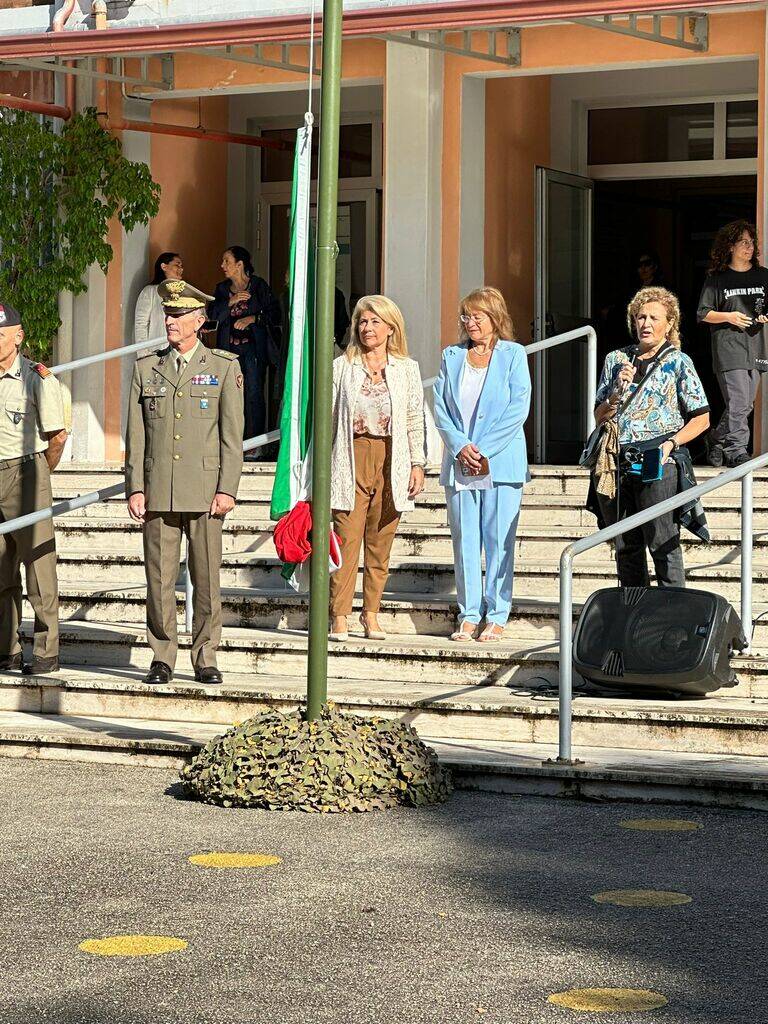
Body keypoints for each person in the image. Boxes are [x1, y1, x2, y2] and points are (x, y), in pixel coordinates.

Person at [126, 280, 244, 686]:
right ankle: (162, 655)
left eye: (178, 315)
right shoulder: (146, 368)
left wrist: (228, 487)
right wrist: (135, 486)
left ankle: (205, 655)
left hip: (205, 489)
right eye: (168, 314)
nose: (170, 321)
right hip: (159, 488)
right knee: (158, 578)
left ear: (199, 320)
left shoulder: (224, 367)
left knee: (206, 578)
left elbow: (231, 435)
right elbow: (136, 435)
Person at [589, 286, 710, 588]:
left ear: (669, 324)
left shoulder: (678, 362)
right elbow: (599, 416)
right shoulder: (615, 359)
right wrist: (616, 392)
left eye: (654, 317)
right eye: (640, 317)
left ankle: (673, 620)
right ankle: (633, 619)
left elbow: (702, 418)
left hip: (658, 459)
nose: (645, 323)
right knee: (625, 546)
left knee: (662, 541)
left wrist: (670, 444)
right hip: (615, 460)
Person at [432, 287, 531, 643]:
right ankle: (470, 613)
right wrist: (460, 446)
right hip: (461, 463)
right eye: (466, 317)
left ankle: (498, 612)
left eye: (478, 316)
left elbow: (518, 407)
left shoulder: (513, 355)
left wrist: (484, 449)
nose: (471, 323)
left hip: (501, 462)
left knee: (499, 540)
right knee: (465, 540)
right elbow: (441, 407)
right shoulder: (451, 356)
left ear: (495, 319)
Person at [329, 295, 425, 642]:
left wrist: (418, 463)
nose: (368, 328)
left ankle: (371, 614)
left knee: (380, 540)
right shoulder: (342, 366)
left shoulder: (406, 368)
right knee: (346, 537)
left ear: (390, 328)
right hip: (351, 455)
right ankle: (340, 614)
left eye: (374, 322)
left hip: (391, 456)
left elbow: (414, 417)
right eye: (362, 322)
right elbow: (326, 418)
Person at [0, 302, 68, 675]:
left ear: (18, 336)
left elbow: (57, 435)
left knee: (39, 566)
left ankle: (45, 652)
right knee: (0, 568)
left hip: (27, 470)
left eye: (0, 335)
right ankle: (6, 648)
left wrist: (41, 472)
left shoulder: (38, 378)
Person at [697, 220, 768, 467]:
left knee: (744, 404)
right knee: (738, 401)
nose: (750, 248)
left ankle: (716, 438)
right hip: (728, 346)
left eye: (752, 243)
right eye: (744, 242)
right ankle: (736, 451)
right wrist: (729, 316)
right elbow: (703, 313)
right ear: (730, 246)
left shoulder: (763, 275)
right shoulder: (717, 279)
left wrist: (764, 316)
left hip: (756, 345)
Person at [208, 246, 281, 451]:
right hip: (228, 351)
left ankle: (255, 445)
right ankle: (231, 444)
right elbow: (212, 319)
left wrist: (253, 318)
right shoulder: (222, 290)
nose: (222, 266)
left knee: (254, 395)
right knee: (229, 396)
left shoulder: (258, 286)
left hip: (253, 351)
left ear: (240, 265)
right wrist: (230, 302)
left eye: (227, 262)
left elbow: (275, 315)